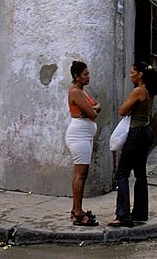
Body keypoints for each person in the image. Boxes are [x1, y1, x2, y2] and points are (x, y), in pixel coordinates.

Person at [109, 62, 157, 227]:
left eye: (132, 72)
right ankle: (140, 212)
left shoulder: (138, 91)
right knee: (140, 173)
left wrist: (127, 107)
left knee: (122, 173)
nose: (130, 75)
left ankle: (122, 215)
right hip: (146, 132)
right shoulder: (150, 91)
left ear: (140, 75)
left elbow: (122, 110)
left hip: (136, 133)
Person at [65, 61, 100, 226]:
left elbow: (97, 106)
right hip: (79, 135)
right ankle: (78, 212)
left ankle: (75, 210)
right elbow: (92, 112)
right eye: (85, 74)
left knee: (81, 173)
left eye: (88, 73)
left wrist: (93, 109)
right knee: (81, 174)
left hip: (84, 134)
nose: (88, 77)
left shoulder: (82, 92)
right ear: (76, 76)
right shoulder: (76, 92)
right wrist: (93, 110)